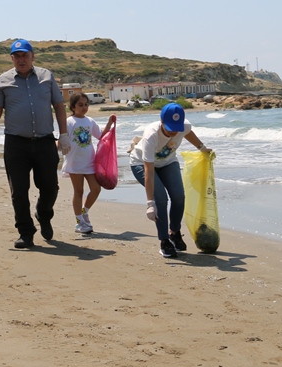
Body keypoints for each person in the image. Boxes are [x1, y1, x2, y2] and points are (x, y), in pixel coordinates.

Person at [0, 39, 70, 249]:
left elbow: (58, 105)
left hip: (45, 141)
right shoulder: (3, 81)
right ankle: (25, 232)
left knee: (50, 186)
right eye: (17, 56)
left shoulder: (47, 76)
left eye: (24, 55)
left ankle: (44, 215)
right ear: (12, 58)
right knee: (19, 190)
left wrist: (63, 134)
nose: (21, 59)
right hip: (16, 144)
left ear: (32, 56)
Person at [129, 103, 212, 258]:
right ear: (161, 121)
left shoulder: (183, 127)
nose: (174, 131)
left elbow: (188, 133)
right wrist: (149, 204)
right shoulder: (151, 136)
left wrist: (202, 148)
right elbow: (149, 171)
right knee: (160, 198)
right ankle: (164, 241)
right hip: (142, 163)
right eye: (170, 127)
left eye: (176, 127)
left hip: (167, 162)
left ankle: (174, 232)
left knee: (179, 196)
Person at [62, 94, 116, 235]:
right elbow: (63, 139)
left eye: (86, 104)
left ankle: (84, 212)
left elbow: (101, 136)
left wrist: (109, 124)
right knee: (78, 191)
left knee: (96, 188)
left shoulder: (90, 121)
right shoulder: (69, 121)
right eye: (80, 105)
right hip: (75, 162)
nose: (84, 107)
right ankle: (79, 222)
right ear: (73, 107)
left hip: (90, 161)